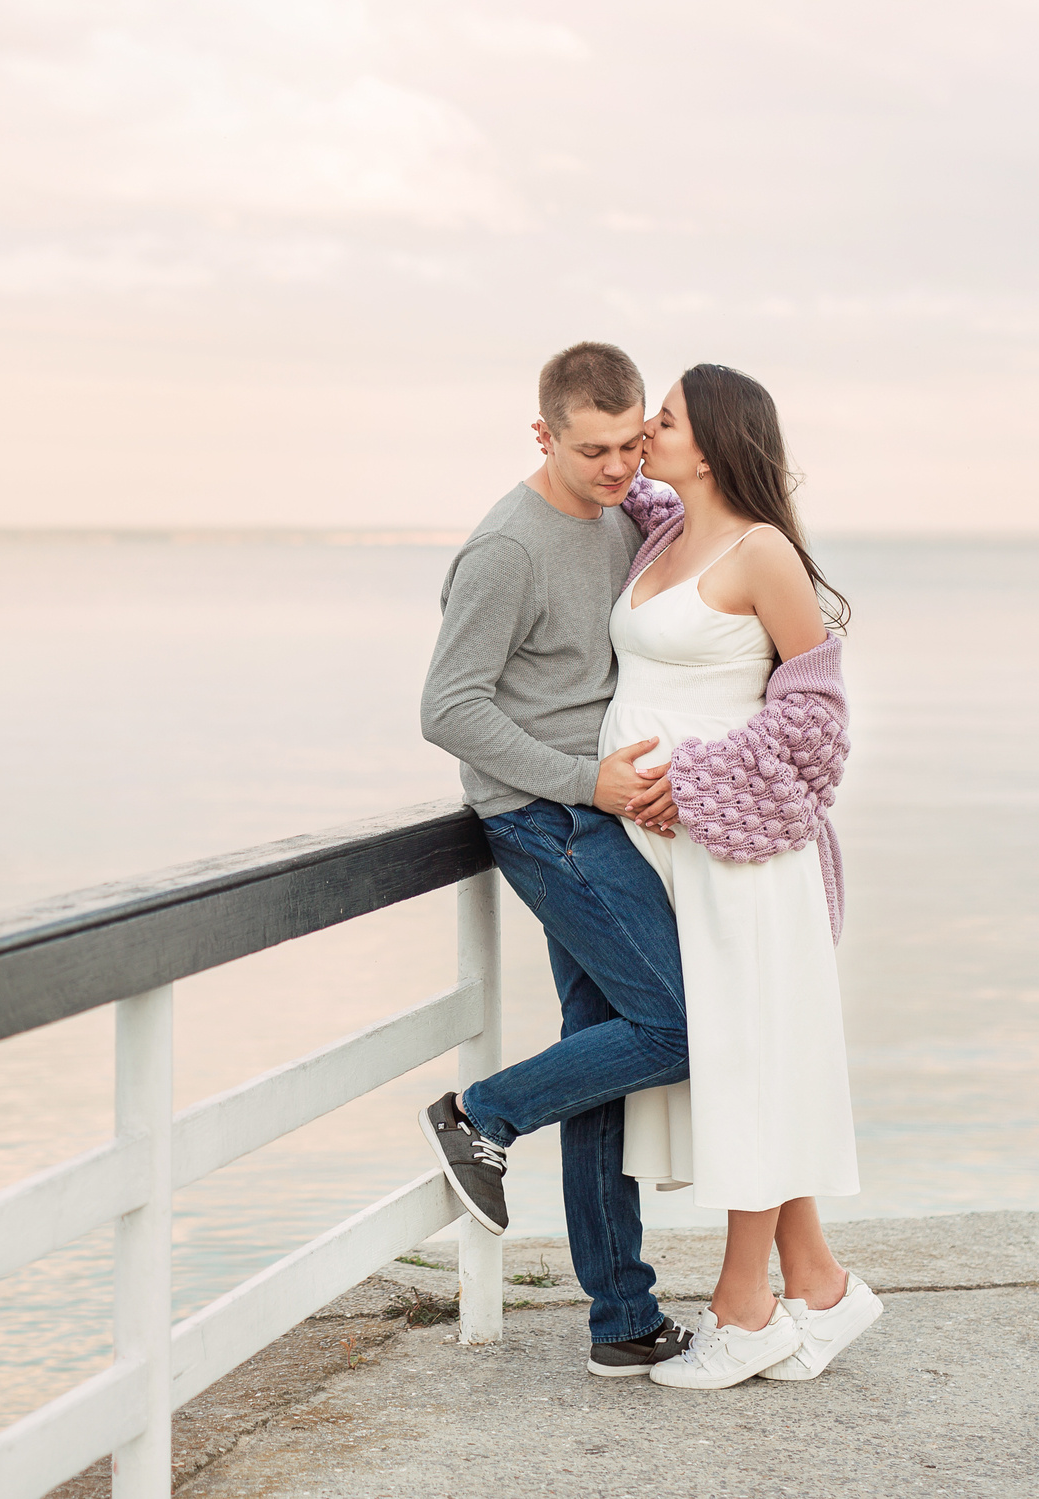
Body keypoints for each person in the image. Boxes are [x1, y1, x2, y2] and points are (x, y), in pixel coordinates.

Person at [415, 340, 697, 1379]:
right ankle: (479, 1113)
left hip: (603, 816)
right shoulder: (506, 549)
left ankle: (620, 1320)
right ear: (542, 436)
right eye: (593, 451)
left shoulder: (627, 514)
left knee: (607, 1055)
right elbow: (447, 709)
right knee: (681, 1024)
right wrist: (586, 784)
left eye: (631, 445)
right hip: (549, 822)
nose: (619, 468)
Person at [599, 362, 880, 1390]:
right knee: (740, 1061)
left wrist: (700, 783)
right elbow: (616, 483)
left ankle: (742, 1308)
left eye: (659, 420)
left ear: (711, 443)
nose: (642, 430)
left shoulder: (762, 553)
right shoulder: (667, 530)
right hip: (673, 849)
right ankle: (817, 1282)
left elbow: (814, 719)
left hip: (739, 850)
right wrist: (576, 452)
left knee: (747, 1066)